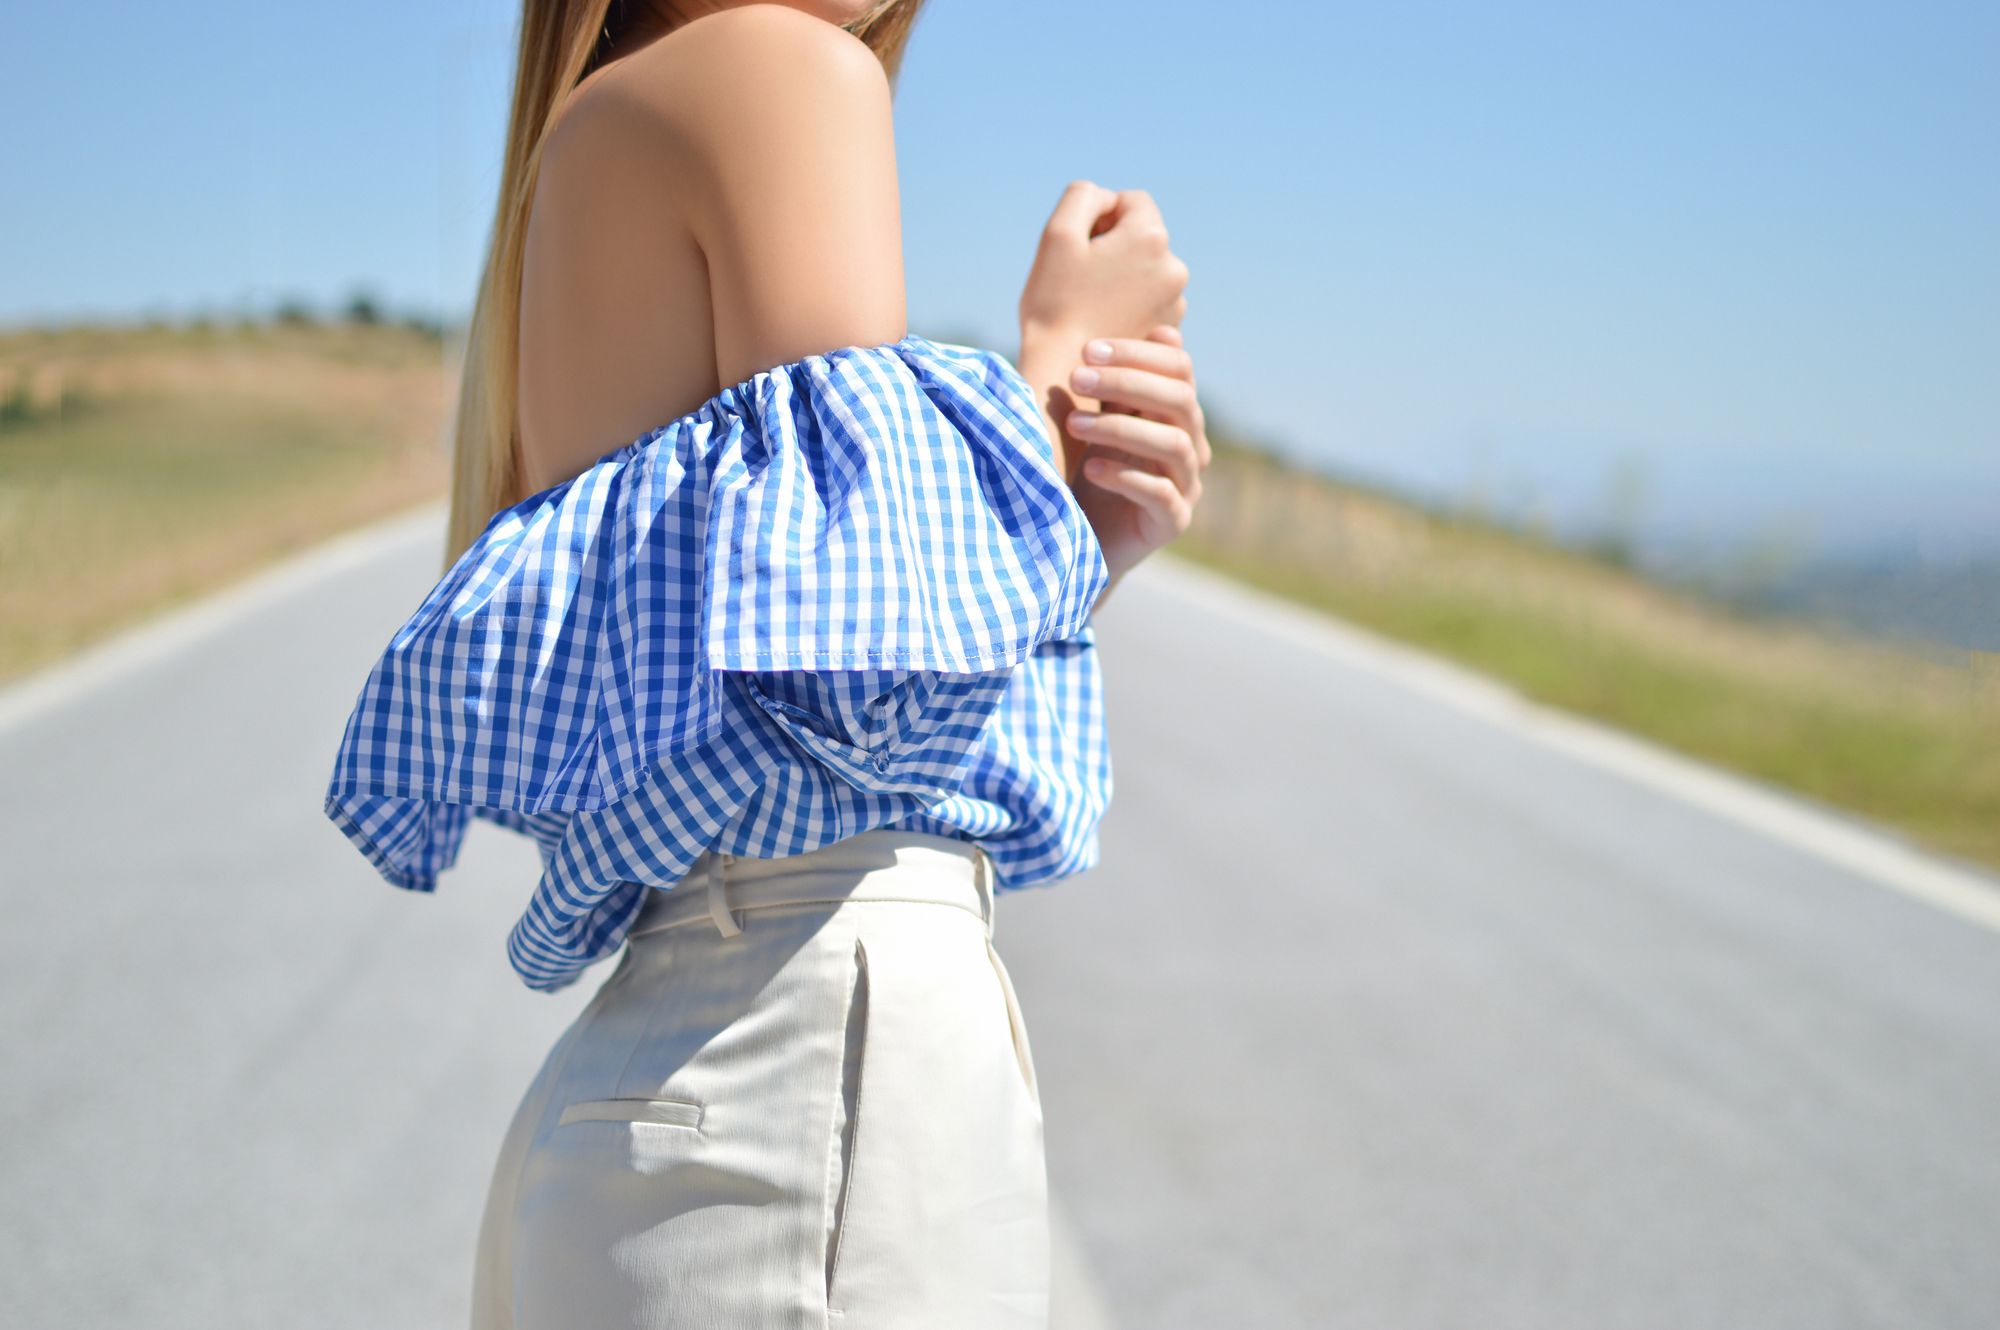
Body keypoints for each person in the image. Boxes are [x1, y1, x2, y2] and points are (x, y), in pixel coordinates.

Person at [321, 2, 1208, 1326]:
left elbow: (778, 685)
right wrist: (1052, 372)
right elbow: (860, 683)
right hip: (807, 1067)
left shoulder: (581, 144)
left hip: (669, 1082)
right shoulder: (785, 70)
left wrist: (1078, 533)